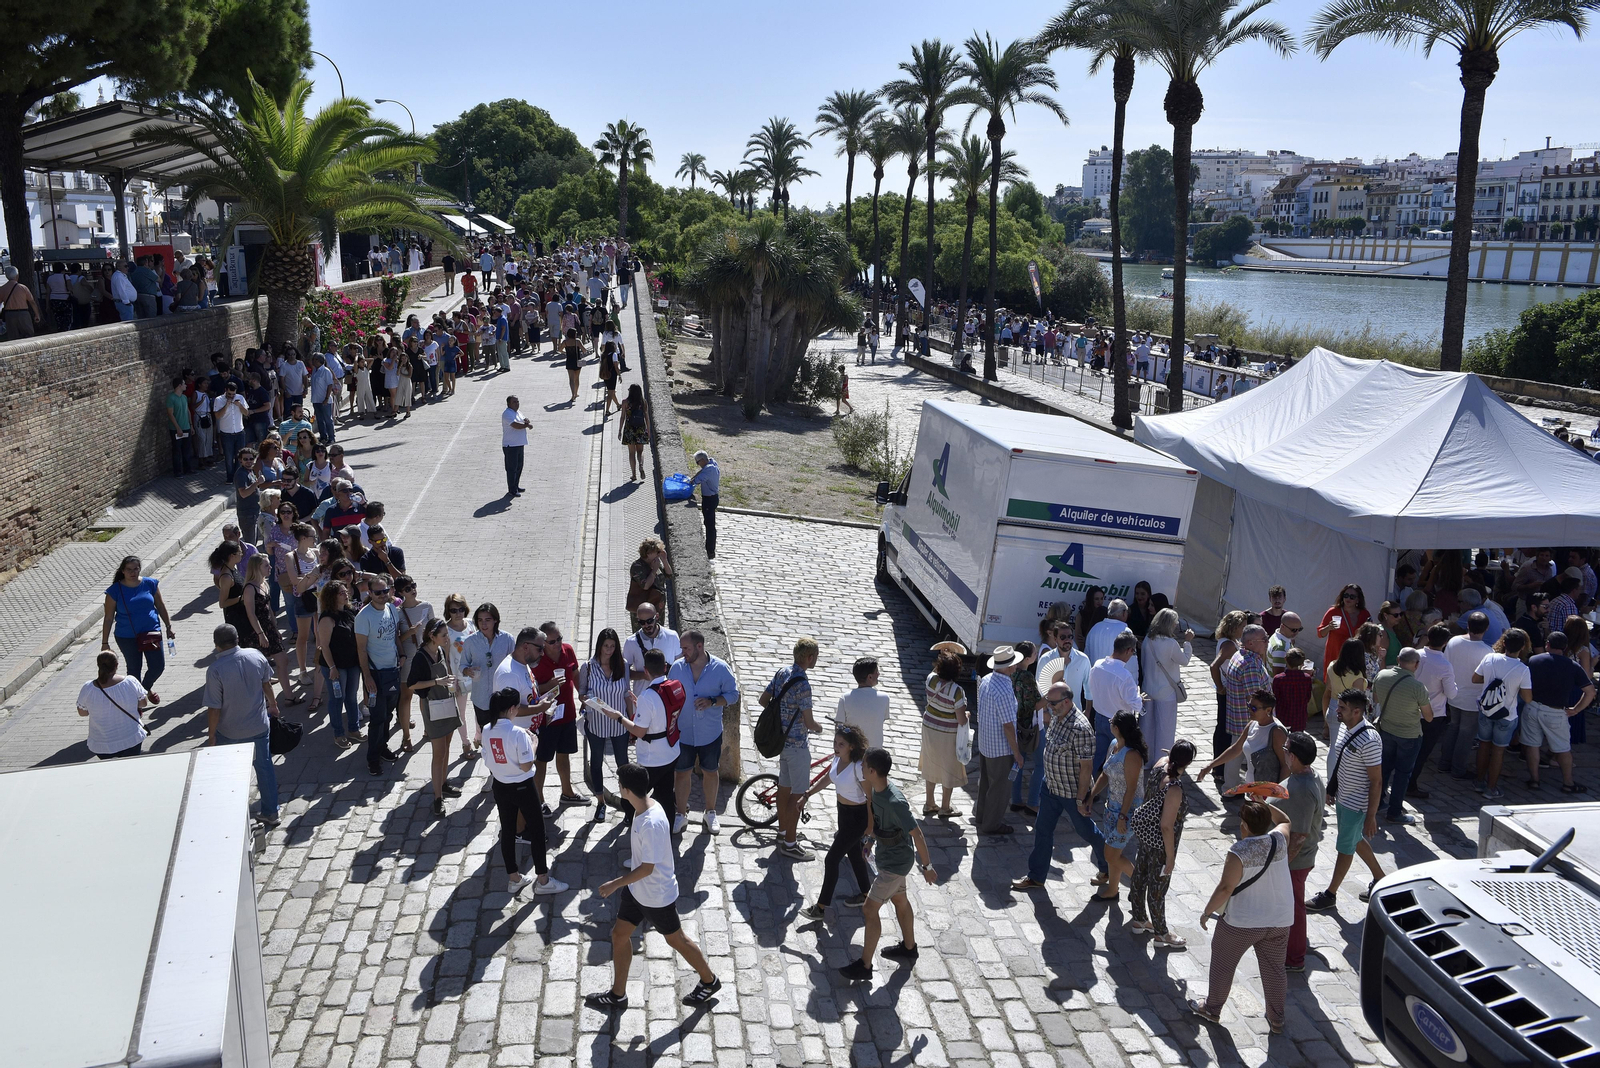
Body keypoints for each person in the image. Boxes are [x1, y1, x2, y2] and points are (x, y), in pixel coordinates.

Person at [586, 762, 722, 1011]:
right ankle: (618, 995)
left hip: (656, 896)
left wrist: (615, 884)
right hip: (639, 891)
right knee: (619, 934)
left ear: (625, 790)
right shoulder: (647, 806)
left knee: (677, 940)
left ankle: (709, 980)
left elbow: (647, 868)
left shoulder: (650, 822)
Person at [1190, 800, 1294, 1033]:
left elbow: (1226, 888)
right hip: (1279, 919)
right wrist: (1264, 802)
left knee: (1223, 964)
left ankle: (1212, 1008)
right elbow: (1285, 820)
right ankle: (1277, 1019)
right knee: (1275, 969)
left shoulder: (1239, 851)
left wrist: (1207, 912)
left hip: (1242, 922)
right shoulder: (1279, 840)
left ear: (1244, 825)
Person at [838, 748, 937, 983]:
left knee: (869, 909)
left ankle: (865, 965)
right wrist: (870, 842)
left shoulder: (895, 801)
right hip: (887, 859)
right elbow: (880, 824)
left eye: (863, 766)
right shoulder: (876, 791)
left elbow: (918, 834)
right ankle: (909, 948)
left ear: (872, 771)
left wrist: (927, 866)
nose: (860, 768)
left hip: (896, 864)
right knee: (900, 900)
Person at [1012, 680, 1106, 891]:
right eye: (1049, 703)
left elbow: (1086, 767)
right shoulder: (1057, 716)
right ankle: (1036, 876)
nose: (1049, 708)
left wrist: (1082, 799)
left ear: (1066, 702)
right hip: (1051, 787)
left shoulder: (1081, 728)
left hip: (1072, 793)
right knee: (1042, 830)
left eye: (1053, 704)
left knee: (1086, 832)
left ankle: (1108, 865)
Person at [1306, 689, 1387, 912]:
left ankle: (1330, 894)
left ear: (1357, 711)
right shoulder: (1344, 727)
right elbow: (1341, 760)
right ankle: (1380, 878)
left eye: (1342, 708)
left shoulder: (1369, 740)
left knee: (1345, 847)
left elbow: (1376, 781)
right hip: (1344, 798)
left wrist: (1371, 815)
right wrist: (1333, 788)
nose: (1336, 710)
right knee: (1354, 839)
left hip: (1357, 804)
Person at [482, 688, 566, 896]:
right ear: (512, 709)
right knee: (537, 831)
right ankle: (543, 880)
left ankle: (514, 878)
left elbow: (487, 759)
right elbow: (527, 766)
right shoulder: (518, 734)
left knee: (508, 831)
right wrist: (534, 744)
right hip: (523, 787)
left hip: (501, 786)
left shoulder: (486, 729)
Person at [204, 624, 282, 827]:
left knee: (229, 773)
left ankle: (233, 813)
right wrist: (273, 705)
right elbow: (267, 683)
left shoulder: (215, 670)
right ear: (237, 638)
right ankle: (271, 811)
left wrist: (211, 735)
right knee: (265, 769)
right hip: (258, 725)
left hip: (230, 731)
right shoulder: (255, 655)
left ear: (216, 645)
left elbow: (214, 708)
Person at [667, 629, 740, 835]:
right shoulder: (677, 668)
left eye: (686, 648)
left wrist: (713, 702)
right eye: (682, 648)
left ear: (700, 646)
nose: (683, 653)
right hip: (683, 734)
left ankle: (710, 812)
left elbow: (733, 695)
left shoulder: (720, 668)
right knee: (681, 774)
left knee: (710, 772)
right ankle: (680, 815)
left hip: (709, 733)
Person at [800, 725, 874, 918]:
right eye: (835, 742)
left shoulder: (858, 767)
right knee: (855, 855)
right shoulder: (837, 759)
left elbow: (870, 797)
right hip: (843, 813)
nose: (836, 746)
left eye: (841, 744)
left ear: (851, 746)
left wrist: (870, 826)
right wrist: (807, 794)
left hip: (857, 818)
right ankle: (867, 894)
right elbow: (828, 778)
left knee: (832, 859)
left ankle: (821, 907)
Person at [1129, 739, 1195, 948]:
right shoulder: (1174, 788)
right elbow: (1167, 826)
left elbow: (1166, 758)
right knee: (1157, 889)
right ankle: (1161, 933)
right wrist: (1171, 856)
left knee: (1139, 877)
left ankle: (1139, 919)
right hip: (1161, 843)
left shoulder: (1159, 765)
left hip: (1146, 836)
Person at [761, 637, 823, 858]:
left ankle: (782, 831)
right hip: (797, 746)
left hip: (781, 743)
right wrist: (819, 728)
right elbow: (809, 722)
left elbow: (763, 699)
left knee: (784, 789)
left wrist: (782, 716)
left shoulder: (782, 673)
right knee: (798, 795)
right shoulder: (803, 685)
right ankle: (790, 843)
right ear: (809, 657)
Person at [1522, 632, 1594, 793]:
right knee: (1562, 748)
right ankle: (1568, 782)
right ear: (1565, 647)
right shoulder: (1572, 666)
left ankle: (1534, 780)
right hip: (1555, 712)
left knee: (1532, 745)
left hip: (1533, 707)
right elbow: (1590, 691)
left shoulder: (1534, 660)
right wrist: (1576, 709)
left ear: (1547, 644)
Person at [1087, 710, 1146, 903]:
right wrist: (1092, 795)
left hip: (1127, 813)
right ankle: (1113, 890)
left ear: (1117, 728)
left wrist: (1122, 817)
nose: (1109, 722)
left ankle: (1141, 883)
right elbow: (1105, 774)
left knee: (1110, 854)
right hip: (1111, 807)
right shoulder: (1114, 745)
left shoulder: (1132, 756)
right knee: (1114, 854)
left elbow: (1131, 789)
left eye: (1112, 721)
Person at [407, 620, 464, 816]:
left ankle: (443, 783)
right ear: (432, 636)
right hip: (433, 708)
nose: (447, 638)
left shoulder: (439, 651)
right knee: (438, 754)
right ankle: (437, 798)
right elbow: (412, 684)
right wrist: (437, 681)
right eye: (444, 635)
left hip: (446, 703)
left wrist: (451, 683)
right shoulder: (420, 657)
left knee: (447, 747)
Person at [1279, 733, 1325, 972]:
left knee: (1295, 908)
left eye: (1286, 749)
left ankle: (1295, 958)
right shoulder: (1309, 775)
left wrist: (1282, 864)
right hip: (1298, 857)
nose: (1283, 752)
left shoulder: (1302, 787)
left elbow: (1299, 835)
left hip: (1296, 860)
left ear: (1294, 756)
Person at [101, 555, 175, 704]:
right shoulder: (114, 591)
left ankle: (144, 689)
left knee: (157, 667)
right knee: (134, 669)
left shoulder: (150, 584)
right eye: (129, 570)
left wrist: (168, 626)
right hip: (127, 636)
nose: (133, 573)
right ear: (122, 571)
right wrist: (105, 642)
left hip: (151, 633)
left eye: (136, 569)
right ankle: (135, 702)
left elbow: (160, 606)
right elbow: (108, 618)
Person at [578, 628, 633, 822]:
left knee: (623, 764)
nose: (609, 650)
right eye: (605, 646)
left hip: (619, 724)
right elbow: (581, 694)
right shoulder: (588, 667)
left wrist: (631, 721)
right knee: (596, 762)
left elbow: (626, 693)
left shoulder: (623, 665)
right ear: (599, 646)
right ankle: (601, 802)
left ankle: (628, 806)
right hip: (597, 724)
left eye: (612, 646)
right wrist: (588, 700)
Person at [972, 645, 1027, 835]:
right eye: (1012, 664)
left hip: (986, 743)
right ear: (1006, 667)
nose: (1015, 667)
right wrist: (1017, 753)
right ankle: (992, 824)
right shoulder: (1004, 689)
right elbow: (1008, 726)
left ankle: (981, 816)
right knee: (1000, 788)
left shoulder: (986, 680)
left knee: (986, 783)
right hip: (1001, 749)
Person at [1473, 628, 1533, 799]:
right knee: (1498, 751)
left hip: (1486, 710)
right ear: (1522, 647)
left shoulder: (1489, 657)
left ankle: (1479, 781)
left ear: (1503, 643)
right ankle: (1491, 788)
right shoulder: (1522, 669)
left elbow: (1475, 679)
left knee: (1483, 745)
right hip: (1506, 715)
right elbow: (1527, 698)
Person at [354, 577, 402, 776]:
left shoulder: (391, 609)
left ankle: (382, 747)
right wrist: (367, 678)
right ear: (370, 594)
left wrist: (403, 654)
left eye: (386, 591)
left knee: (388, 714)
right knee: (377, 718)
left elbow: (395, 636)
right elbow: (361, 649)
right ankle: (372, 758)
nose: (383, 595)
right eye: (378, 592)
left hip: (392, 671)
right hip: (375, 673)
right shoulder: (363, 617)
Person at [532, 621, 583, 806]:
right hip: (547, 718)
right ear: (543, 643)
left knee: (564, 754)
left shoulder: (568, 650)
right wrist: (551, 684)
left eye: (559, 638)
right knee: (542, 759)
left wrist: (582, 694)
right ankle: (539, 800)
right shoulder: (536, 659)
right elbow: (534, 690)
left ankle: (567, 793)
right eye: (552, 641)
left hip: (567, 713)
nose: (558, 644)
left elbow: (575, 674)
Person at [1406, 624, 1458, 798]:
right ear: (1445, 642)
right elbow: (1451, 693)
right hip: (1432, 715)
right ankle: (1410, 784)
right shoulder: (1445, 665)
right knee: (1421, 752)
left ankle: (1402, 781)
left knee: (1406, 748)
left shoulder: (1416, 655)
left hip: (1409, 709)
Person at [1439, 611, 1492, 779]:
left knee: (1453, 728)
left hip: (1454, 694)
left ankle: (1444, 763)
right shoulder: (1487, 651)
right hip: (1472, 699)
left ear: (1468, 625)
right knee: (1466, 735)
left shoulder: (1453, 641)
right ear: (1487, 628)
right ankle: (1458, 769)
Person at [238, 554, 296, 707]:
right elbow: (251, 613)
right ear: (257, 568)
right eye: (266, 565)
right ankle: (266, 702)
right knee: (260, 669)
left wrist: (275, 628)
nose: (270, 567)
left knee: (283, 660)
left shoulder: (264, 584)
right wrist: (260, 635)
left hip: (269, 629)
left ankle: (289, 696)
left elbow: (269, 609)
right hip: (256, 632)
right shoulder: (249, 588)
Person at [1198, 690, 1288, 787]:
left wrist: (1278, 794)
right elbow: (1236, 749)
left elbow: (1286, 766)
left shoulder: (1277, 732)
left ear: (1268, 710)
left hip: (1268, 791)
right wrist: (1210, 765)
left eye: (1254, 708)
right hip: (1252, 788)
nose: (1249, 710)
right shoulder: (1252, 724)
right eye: (1249, 706)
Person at [918, 646, 969, 818]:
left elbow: (935, 670)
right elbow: (961, 719)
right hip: (947, 733)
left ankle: (929, 803)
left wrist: (943, 655)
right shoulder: (957, 691)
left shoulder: (931, 679)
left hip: (929, 728)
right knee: (949, 767)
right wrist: (967, 714)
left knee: (931, 763)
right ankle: (945, 806)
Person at [314, 581, 364, 748]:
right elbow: (324, 646)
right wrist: (332, 668)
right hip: (336, 666)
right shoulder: (327, 618)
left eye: (345, 591)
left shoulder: (349, 612)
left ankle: (354, 729)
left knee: (351, 697)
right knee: (337, 699)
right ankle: (338, 734)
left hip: (352, 663)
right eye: (341, 592)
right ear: (332, 597)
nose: (346, 594)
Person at [1087, 632, 1143, 775]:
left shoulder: (1097, 665)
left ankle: (1089, 789)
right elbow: (1137, 705)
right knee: (1120, 760)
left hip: (1099, 717)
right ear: (1128, 650)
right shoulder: (1124, 676)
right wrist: (1138, 696)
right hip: (1120, 724)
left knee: (1098, 756)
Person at [78, 650, 151, 759]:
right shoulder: (130, 681)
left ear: (98, 665)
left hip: (102, 744)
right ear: (116, 665)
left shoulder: (88, 687)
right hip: (131, 738)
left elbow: (82, 712)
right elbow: (143, 703)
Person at [1142, 608, 1194, 760]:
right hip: (1166, 692)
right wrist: (1188, 642)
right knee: (1165, 730)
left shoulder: (1148, 640)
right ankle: (1162, 760)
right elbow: (1184, 660)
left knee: (1147, 729)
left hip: (1148, 689)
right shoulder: (1170, 643)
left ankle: (1146, 759)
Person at [1208, 610, 1248, 787]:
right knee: (1224, 730)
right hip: (1227, 692)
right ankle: (1220, 770)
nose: (1244, 630)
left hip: (1226, 691)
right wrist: (1220, 687)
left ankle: (1219, 768)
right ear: (1235, 627)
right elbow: (1214, 666)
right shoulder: (1229, 645)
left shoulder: (1226, 641)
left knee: (1222, 728)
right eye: (1242, 627)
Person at [1317, 583, 1371, 685]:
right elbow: (1320, 634)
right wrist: (1329, 627)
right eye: (1345, 595)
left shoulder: (1364, 614)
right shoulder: (1333, 611)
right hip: (1336, 653)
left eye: (1352, 596)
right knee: (1333, 684)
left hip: (1355, 655)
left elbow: (1370, 634)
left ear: (1358, 600)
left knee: (1352, 684)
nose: (1348, 599)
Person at [623, 604, 682, 693]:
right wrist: (643, 675)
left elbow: (681, 666)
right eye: (642, 622)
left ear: (657, 617)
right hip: (642, 696)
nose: (646, 625)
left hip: (668, 696)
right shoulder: (631, 642)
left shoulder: (672, 636)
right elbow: (624, 671)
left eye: (649, 621)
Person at [836, 657, 890, 750]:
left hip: (852, 752)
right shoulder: (884, 698)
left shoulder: (845, 698)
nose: (879, 674)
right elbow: (882, 719)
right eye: (876, 671)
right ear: (869, 677)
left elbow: (839, 727)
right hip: (874, 754)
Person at [625, 539, 672, 624]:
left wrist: (665, 560)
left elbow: (669, 575)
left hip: (657, 605)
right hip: (643, 608)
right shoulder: (637, 566)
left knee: (658, 632)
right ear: (648, 554)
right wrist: (654, 570)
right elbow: (646, 586)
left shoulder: (655, 562)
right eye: (657, 551)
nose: (659, 553)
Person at [1272, 648, 1316, 734]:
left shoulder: (1278, 679)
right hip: (1299, 716)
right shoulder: (1307, 678)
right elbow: (1307, 697)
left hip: (1282, 716)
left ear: (1285, 659)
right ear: (1302, 662)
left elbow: (1275, 698)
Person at [688, 451, 720, 560]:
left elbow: (697, 480)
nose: (698, 464)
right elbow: (701, 472)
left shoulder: (709, 470)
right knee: (710, 524)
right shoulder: (712, 463)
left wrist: (689, 482)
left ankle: (710, 551)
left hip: (709, 499)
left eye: (698, 462)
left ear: (702, 460)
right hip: (713, 498)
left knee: (709, 525)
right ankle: (710, 549)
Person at [0, 265, 43, 338]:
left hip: (9, 314)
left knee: (13, 337)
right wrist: (37, 314)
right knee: (28, 334)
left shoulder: (2, 289)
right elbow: (32, 302)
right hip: (23, 313)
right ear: (17, 275)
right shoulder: (23, 288)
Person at [619, 384, 650, 482]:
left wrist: (619, 430)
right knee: (640, 451)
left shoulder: (625, 402)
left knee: (631, 453)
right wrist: (648, 430)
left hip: (629, 429)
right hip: (640, 428)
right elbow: (646, 417)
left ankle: (633, 475)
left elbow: (622, 417)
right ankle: (641, 465)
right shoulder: (643, 402)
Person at [501, 396, 531, 497]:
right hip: (510, 445)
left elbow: (522, 420)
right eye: (514, 402)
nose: (517, 403)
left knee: (519, 467)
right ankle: (512, 490)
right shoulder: (507, 414)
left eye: (517, 401)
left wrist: (526, 421)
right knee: (511, 468)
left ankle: (516, 486)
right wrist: (526, 426)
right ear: (508, 404)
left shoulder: (518, 412)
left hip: (519, 444)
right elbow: (515, 425)